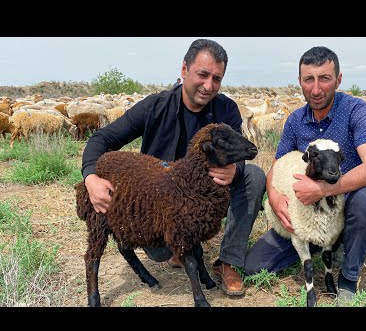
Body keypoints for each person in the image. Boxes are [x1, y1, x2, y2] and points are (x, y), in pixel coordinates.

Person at [81, 38, 266, 297]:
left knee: (254, 176)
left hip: (204, 194)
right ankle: (180, 248)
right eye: (202, 75)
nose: (208, 85)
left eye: (217, 78)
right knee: (160, 251)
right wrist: (91, 177)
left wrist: (236, 167)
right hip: (161, 202)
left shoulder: (225, 109)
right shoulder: (154, 107)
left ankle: (228, 261)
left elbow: (238, 149)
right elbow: (102, 139)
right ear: (184, 70)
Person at [243, 46, 366, 304]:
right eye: (309, 79)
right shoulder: (296, 120)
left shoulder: (355, 111)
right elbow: (276, 166)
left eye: (325, 78)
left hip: (343, 206)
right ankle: (315, 246)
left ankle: (348, 277)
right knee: (255, 265)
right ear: (300, 81)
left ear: (339, 79)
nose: (316, 89)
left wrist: (324, 190)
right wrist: (274, 196)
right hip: (306, 212)